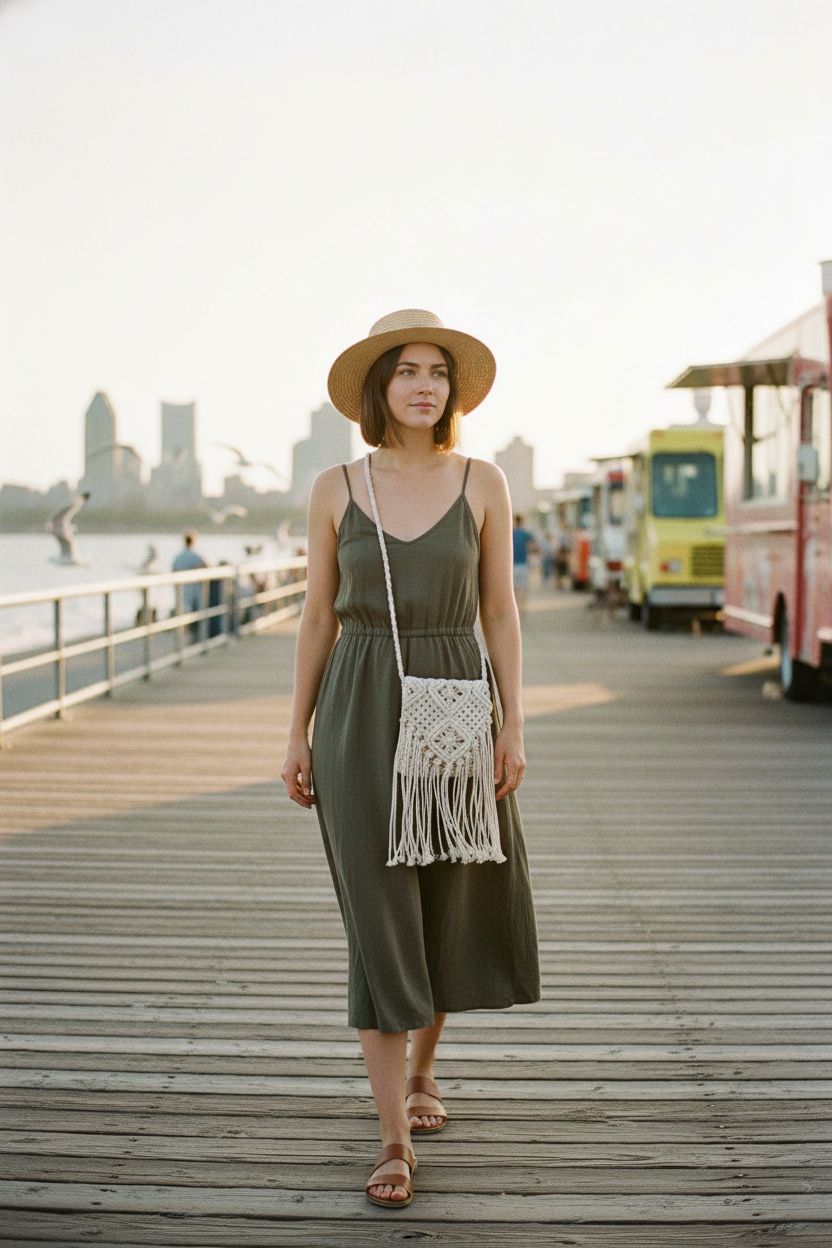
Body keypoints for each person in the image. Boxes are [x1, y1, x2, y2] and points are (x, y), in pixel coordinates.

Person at [281, 309, 541, 1210]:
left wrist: (514, 723)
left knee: (443, 899)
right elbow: (318, 616)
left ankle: (426, 1074)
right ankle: (394, 1138)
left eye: (438, 372)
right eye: (407, 372)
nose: (426, 385)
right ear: (378, 388)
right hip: (358, 704)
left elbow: (500, 609)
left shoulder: (482, 480)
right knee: (378, 914)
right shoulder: (334, 486)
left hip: (456, 701)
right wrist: (296, 730)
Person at [171, 530, 208, 639]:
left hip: (181, 589)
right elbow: (207, 566)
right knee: (197, 615)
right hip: (195, 589)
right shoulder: (196, 555)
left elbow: (173, 571)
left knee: (184, 614)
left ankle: (183, 637)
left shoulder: (178, 557)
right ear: (194, 541)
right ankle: (196, 637)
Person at [511, 513, 537, 613]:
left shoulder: (511, 533)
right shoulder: (526, 533)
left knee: (514, 588)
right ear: (522, 522)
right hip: (523, 564)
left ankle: (515, 608)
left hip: (512, 565)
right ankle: (523, 608)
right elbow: (534, 545)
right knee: (523, 587)